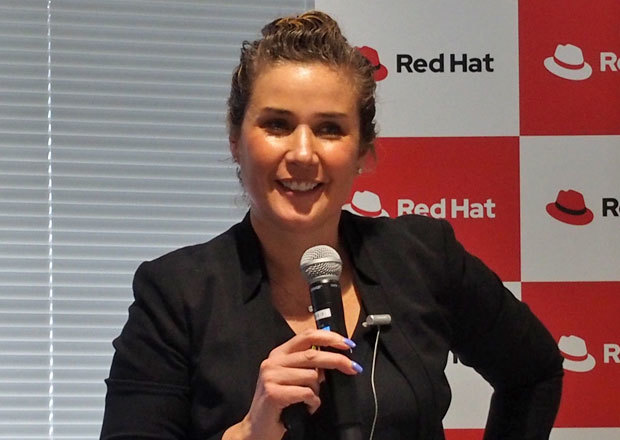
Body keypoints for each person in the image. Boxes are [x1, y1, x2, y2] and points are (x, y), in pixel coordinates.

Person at [100, 10, 563, 440]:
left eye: (329, 129)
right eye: (277, 124)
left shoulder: (422, 256)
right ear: (235, 140)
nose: (303, 153)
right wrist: (249, 432)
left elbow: (534, 372)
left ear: (363, 151)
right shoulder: (175, 294)